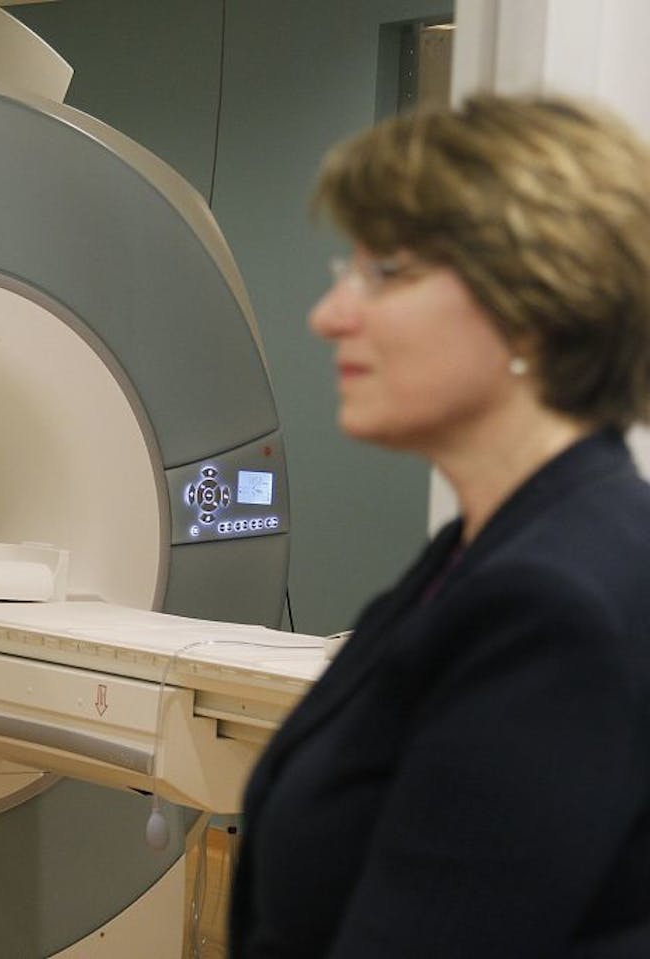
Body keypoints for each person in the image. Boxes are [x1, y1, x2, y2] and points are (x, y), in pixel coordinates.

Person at [231, 95, 650, 958]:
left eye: (387, 271)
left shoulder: (552, 600)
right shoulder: (499, 547)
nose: (329, 314)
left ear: (535, 299)